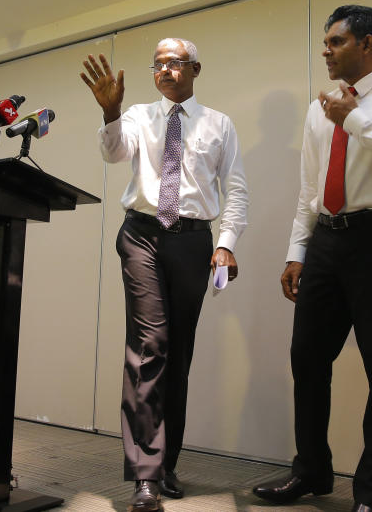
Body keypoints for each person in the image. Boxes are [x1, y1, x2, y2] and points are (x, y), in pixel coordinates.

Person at [252, 5, 372, 512]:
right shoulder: (321, 107)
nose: (325, 50)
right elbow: (309, 188)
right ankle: (311, 470)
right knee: (307, 359)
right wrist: (297, 252)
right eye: (325, 42)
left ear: (367, 45)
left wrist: (355, 121)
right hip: (325, 244)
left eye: (335, 41)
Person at [80, 38, 249, 512]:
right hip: (141, 236)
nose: (165, 70)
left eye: (174, 63)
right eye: (157, 64)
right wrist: (110, 114)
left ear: (195, 67)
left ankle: (166, 462)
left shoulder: (220, 124)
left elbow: (235, 190)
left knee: (178, 354)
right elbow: (113, 153)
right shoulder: (136, 114)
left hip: (193, 240)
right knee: (149, 345)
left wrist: (225, 245)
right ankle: (145, 476)